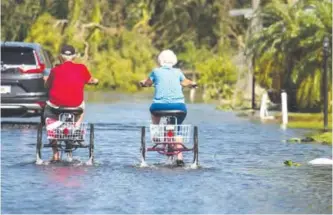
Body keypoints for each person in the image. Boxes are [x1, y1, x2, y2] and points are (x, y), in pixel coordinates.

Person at [140, 49, 196, 166]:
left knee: (153, 111)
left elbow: (148, 83)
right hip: (178, 107)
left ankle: (156, 134)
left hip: (159, 107)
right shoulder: (178, 72)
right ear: (173, 60)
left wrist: (143, 83)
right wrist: (192, 84)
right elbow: (185, 82)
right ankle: (180, 157)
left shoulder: (156, 71)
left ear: (160, 60)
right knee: (178, 126)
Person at [44, 44, 98, 161]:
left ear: (60, 57)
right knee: (82, 105)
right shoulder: (81, 68)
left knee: (48, 112)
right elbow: (90, 80)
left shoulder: (55, 70)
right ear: (74, 56)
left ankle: (55, 153)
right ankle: (75, 127)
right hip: (75, 106)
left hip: (56, 106)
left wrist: (46, 80)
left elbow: (47, 85)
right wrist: (95, 81)